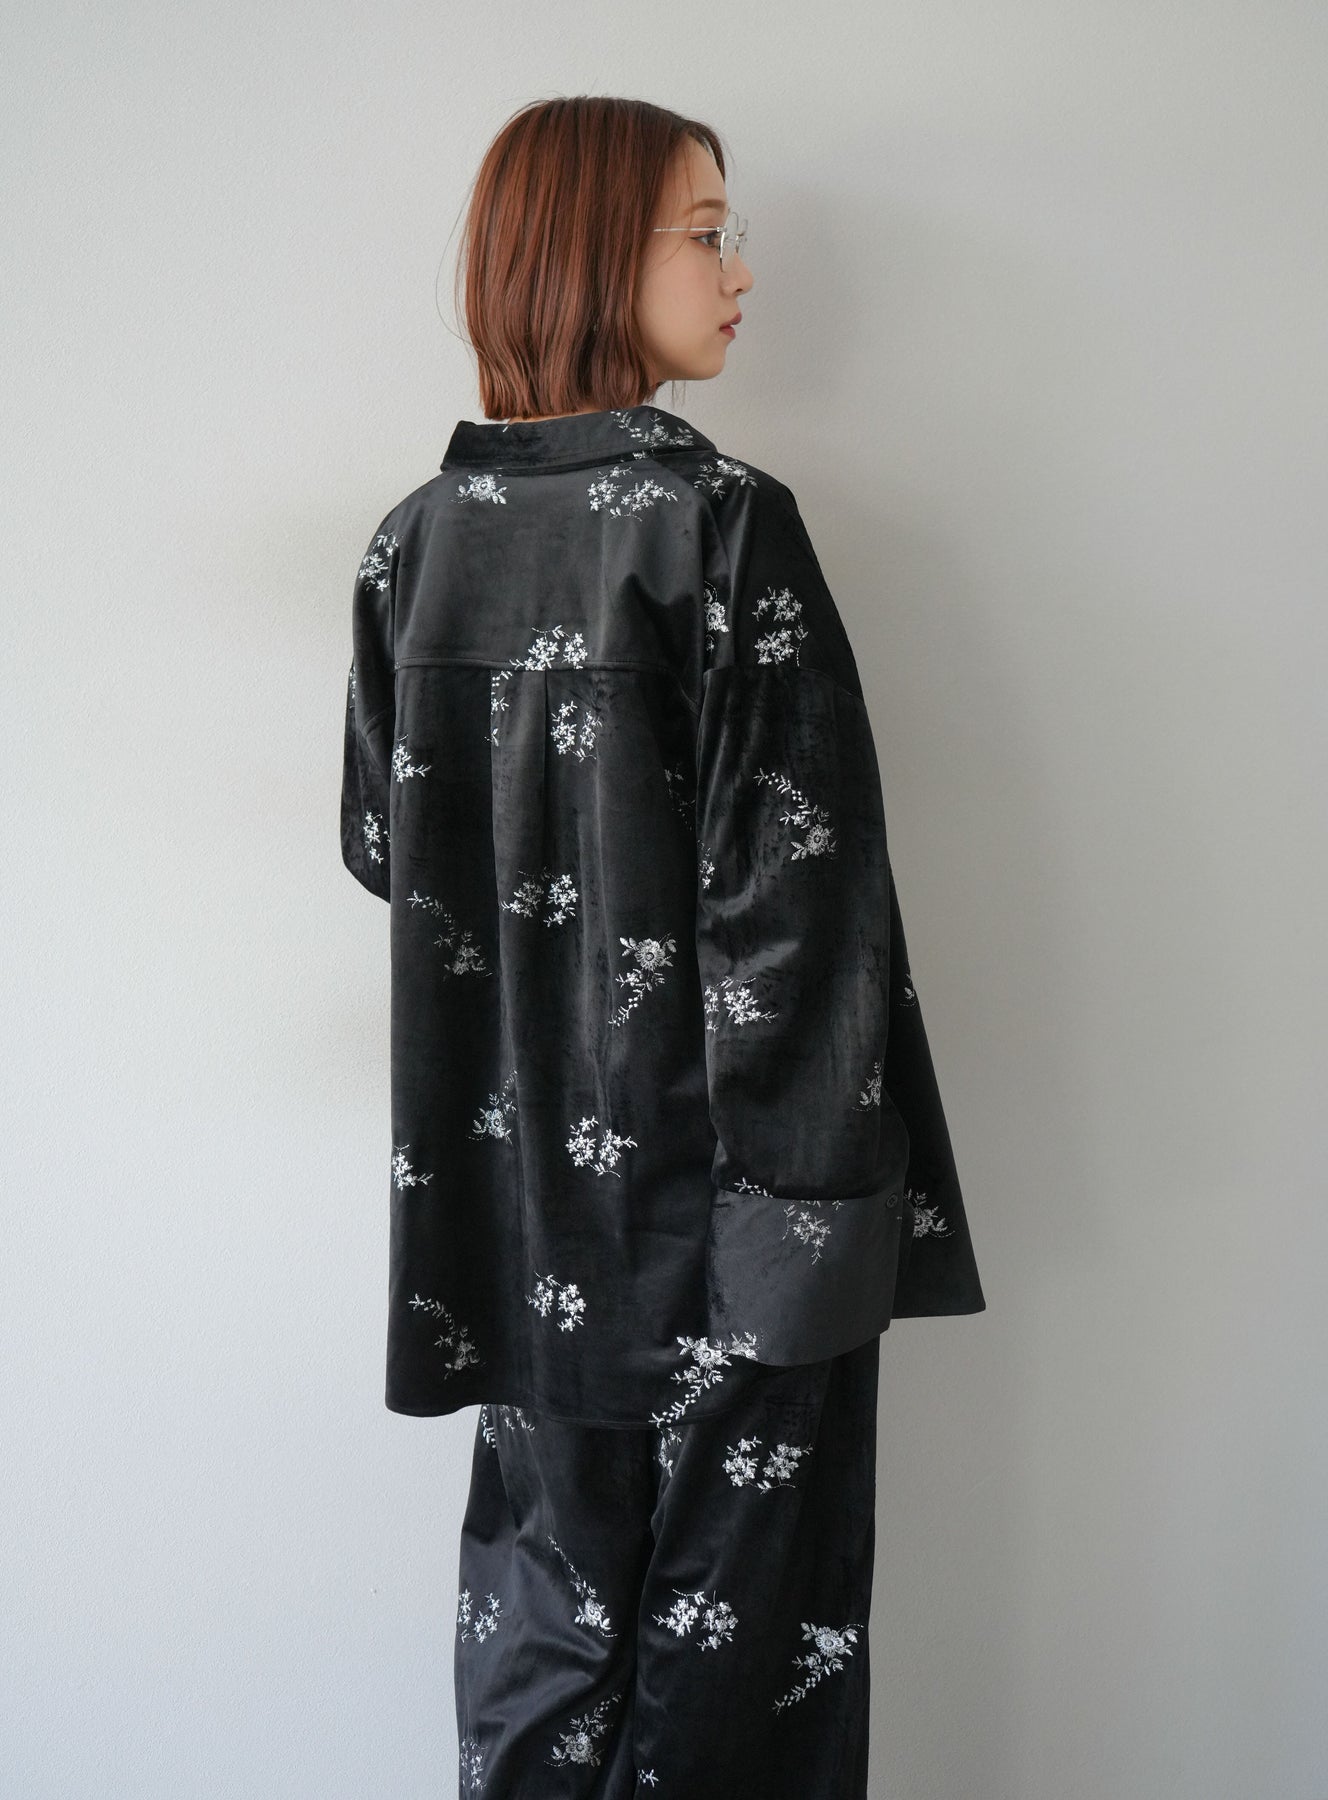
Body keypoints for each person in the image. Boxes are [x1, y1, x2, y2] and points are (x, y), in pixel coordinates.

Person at [341, 93, 985, 1799]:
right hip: (736, 1212)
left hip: (515, 1215)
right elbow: (799, 902)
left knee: (545, 1649)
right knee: (740, 1674)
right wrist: (822, 1222)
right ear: (586, 254)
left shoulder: (413, 544)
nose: (739, 272)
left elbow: (383, 850)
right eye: (705, 233)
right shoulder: (717, 525)